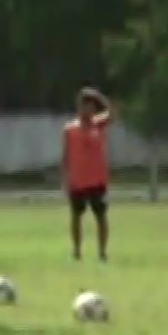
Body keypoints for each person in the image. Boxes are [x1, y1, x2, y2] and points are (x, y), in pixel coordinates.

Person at [62, 88, 113, 261]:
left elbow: (113, 113)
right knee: (76, 216)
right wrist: (66, 177)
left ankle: (102, 252)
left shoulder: (99, 124)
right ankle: (76, 251)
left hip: (97, 179)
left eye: (91, 106)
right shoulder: (70, 129)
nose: (87, 110)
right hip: (78, 180)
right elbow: (66, 155)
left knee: (101, 216)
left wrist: (100, 97)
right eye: (84, 106)